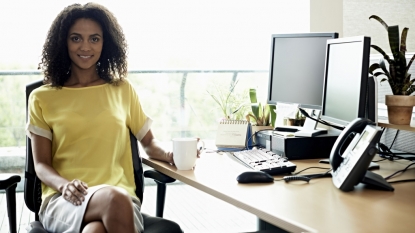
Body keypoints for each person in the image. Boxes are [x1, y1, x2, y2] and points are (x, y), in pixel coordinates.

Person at [26, 3, 184, 233]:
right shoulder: (42, 98)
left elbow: (149, 143)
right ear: (63, 42)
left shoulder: (122, 90)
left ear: (105, 43)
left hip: (122, 200)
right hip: (65, 199)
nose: (86, 46)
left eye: (95, 39)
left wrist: (172, 155)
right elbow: (41, 164)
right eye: (76, 38)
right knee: (113, 200)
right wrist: (65, 186)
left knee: (96, 229)